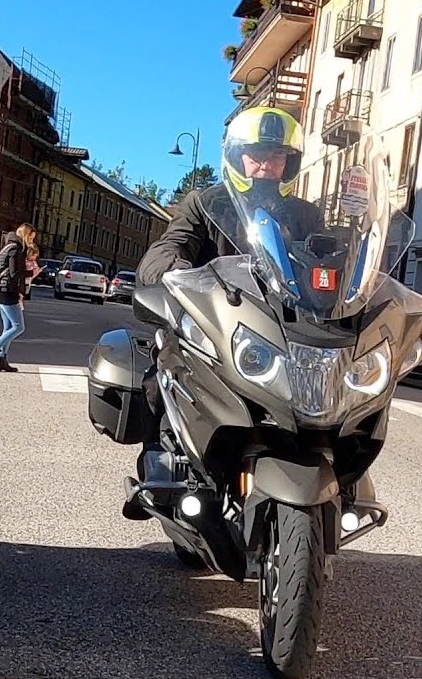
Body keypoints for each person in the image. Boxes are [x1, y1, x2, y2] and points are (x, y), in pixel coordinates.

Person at [128, 106, 323, 501]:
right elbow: (173, 243)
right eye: (257, 154)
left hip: (286, 334)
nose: (266, 165)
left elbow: (331, 259)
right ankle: (158, 469)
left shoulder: (306, 216)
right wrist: (169, 268)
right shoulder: (205, 203)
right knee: (162, 374)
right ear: (237, 157)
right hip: (215, 324)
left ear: (290, 162)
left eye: (277, 155)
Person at [0, 223, 36, 372]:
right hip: (8, 290)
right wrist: (31, 274)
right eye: (31, 237)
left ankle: (2, 359)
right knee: (18, 327)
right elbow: (13, 272)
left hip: (2, 289)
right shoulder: (16, 248)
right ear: (25, 234)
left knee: (8, 327)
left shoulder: (10, 245)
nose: (32, 240)